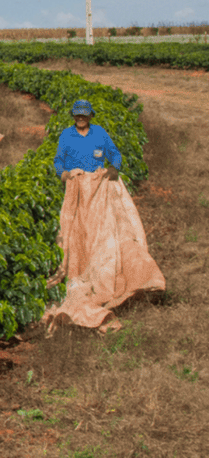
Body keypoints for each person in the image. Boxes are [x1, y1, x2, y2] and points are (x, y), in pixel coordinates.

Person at [44, 99, 164, 332]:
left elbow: (114, 154)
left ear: (90, 116)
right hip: (78, 191)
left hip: (98, 190)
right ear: (73, 116)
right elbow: (58, 160)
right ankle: (83, 267)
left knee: (106, 232)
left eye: (84, 115)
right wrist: (65, 174)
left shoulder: (99, 134)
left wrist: (112, 169)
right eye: (77, 115)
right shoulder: (67, 136)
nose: (81, 118)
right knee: (79, 234)